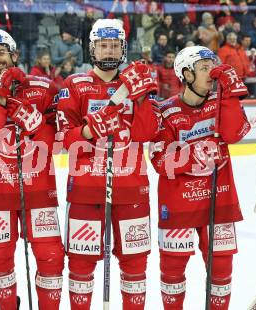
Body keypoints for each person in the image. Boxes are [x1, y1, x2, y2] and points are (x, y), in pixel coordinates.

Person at [56, 18, 160, 310]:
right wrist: (91, 130)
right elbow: (65, 139)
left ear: (123, 47)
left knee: (135, 265)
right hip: (86, 191)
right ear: (92, 48)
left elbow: (147, 133)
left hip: (131, 190)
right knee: (80, 264)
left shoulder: (137, 85)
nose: (109, 50)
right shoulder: (74, 85)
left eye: (114, 45)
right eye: (103, 45)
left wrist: (140, 99)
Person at [0, 29, 64, 310]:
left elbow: (55, 142)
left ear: (15, 55)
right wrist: (0, 97)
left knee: (51, 256)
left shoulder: (44, 88)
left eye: (1, 53)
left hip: (37, 187)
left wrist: (31, 119)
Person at [149, 45, 251, 310]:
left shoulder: (221, 104)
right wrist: (200, 153)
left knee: (221, 276)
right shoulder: (165, 111)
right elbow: (160, 161)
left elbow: (234, 134)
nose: (212, 72)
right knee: (172, 276)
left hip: (220, 202)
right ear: (186, 74)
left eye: (213, 66)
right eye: (204, 68)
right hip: (179, 205)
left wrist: (228, 95)